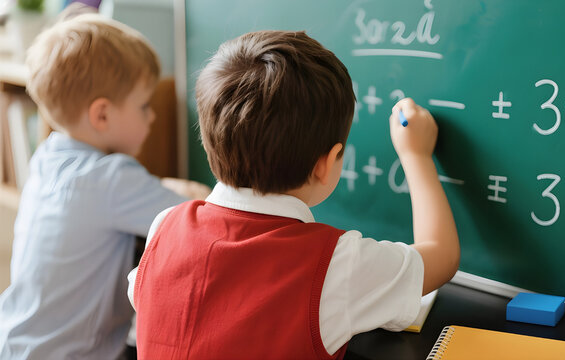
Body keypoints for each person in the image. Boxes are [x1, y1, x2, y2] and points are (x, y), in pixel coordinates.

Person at [129, 30, 459, 359]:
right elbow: (442, 257)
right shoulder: (334, 265)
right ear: (326, 164)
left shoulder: (164, 228)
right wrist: (416, 156)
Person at [0, 14, 210, 359]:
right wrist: (201, 194)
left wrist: (161, 184)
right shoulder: (112, 180)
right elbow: (197, 219)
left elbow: (114, 193)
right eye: (144, 106)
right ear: (101, 116)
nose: (152, 116)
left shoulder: (48, 157)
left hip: (15, 342)